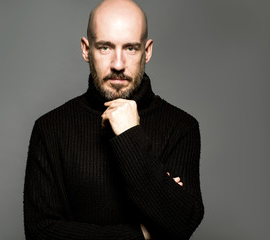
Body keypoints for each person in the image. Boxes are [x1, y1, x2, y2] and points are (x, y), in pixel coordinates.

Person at [23, 0, 204, 239]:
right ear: (86, 50)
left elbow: (181, 224)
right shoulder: (50, 128)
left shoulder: (181, 127)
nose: (118, 64)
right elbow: (41, 233)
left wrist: (131, 135)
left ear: (147, 51)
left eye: (130, 48)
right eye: (105, 47)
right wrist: (138, 235)